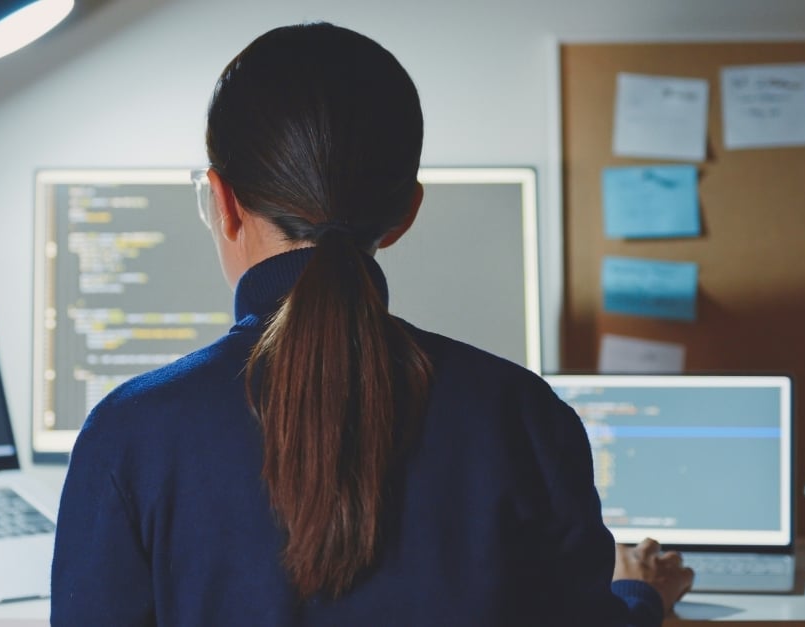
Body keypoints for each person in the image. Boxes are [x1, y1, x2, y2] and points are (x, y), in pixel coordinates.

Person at [51, 22, 693, 626]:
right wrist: (638, 595)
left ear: (222, 202)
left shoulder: (129, 435)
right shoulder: (523, 416)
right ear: (406, 212)